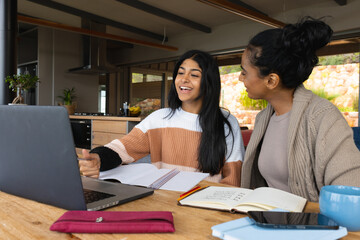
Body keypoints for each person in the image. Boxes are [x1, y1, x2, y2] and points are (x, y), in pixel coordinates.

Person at [80, 50, 245, 186]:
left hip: (206, 205)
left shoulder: (226, 122)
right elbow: (121, 150)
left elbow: (232, 178)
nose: (184, 79)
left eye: (194, 75)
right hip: (164, 201)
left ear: (209, 82)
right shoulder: (159, 118)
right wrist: (97, 158)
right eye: (180, 73)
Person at [239, 17, 360, 201]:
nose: (240, 78)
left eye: (244, 72)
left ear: (271, 80)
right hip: (269, 222)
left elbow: (351, 194)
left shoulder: (324, 118)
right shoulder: (264, 117)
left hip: (310, 226)